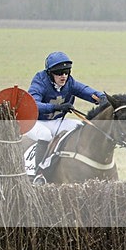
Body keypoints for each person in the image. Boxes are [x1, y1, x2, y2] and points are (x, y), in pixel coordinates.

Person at [24, 51, 104, 184]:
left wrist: (102, 97)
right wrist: (56, 108)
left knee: (79, 127)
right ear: (50, 73)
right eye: (59, 73)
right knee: (45, 135)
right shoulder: (40, 81)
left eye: (66, 72)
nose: (64, 76)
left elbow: (86, 91)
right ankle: (40, 174)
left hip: (56, 121)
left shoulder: (69, 82)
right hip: (35, 122)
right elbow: (33, 104)